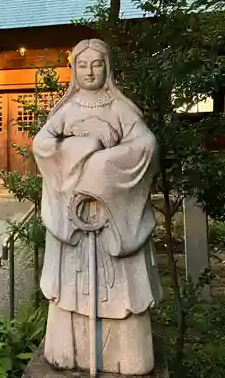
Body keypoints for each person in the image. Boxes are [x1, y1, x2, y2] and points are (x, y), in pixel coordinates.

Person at [32, 39, 162, 375]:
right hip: (74, 221)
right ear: (73, 70)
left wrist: (102, 167)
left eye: (97, 64)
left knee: (121, 295)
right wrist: (81, 147)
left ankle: (126, 354)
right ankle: (69, 352)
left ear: (108, 67)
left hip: (112, 220)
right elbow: (42, 145)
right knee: (70, 293)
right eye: (82, 65)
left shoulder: (121, 109)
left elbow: (147, 145)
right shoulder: (67, 110)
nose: (90, 72)